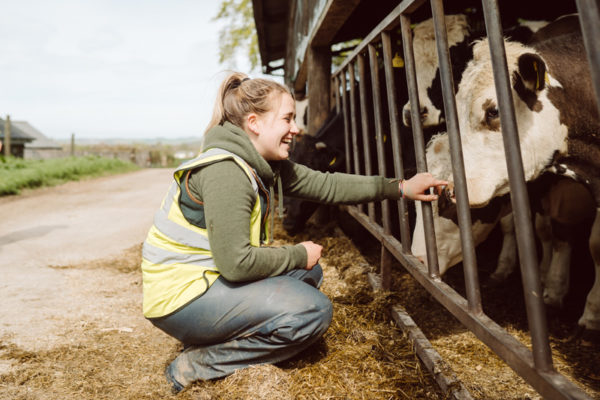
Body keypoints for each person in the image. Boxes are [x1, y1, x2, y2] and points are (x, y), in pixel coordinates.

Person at [141, 72, 447, 394]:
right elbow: (236, 263)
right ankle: (197, 364)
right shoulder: (227, 172)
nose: (296, 129)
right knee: (312, 311)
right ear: (255, 123)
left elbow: (327, 184)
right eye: (288, 118)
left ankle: (219, 336)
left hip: (207, 281)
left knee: (308, 273)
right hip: (183, 299)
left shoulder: (261, 162)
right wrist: (297, 253)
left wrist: (400, 187)